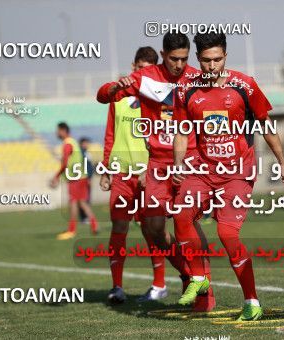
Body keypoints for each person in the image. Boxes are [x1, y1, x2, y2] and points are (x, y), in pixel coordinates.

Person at [172, 32, 284, 321]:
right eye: (205, 61)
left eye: (217, 59)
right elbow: (181, 132)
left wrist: (282, 162)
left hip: (237, 172)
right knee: (180, 215)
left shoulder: (245, 86)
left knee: (227, 234)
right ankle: (199, 277)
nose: (212, 66)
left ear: (225, 56)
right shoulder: (185, 89)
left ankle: (251, 300)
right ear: (197, 59)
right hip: (201, 168)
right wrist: (178, 164)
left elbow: (266, 124)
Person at [96, 33, 215, 311]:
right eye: (174, 59)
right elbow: (102, 97)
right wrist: (115, 87)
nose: (180, 64)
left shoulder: (197, 79)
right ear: (163, 55)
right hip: (157, 165)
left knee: (188, 221)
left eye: (185, 59)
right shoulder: (145, 78)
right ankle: (188, 274)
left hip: (191, 161)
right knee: (155, 229)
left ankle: (204, 286)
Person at [100, 47, 169, 303]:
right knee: (119, 227)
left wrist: (150, 169)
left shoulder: (158, 99)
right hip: (121, 174)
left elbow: (163, 138)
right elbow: (110, 134)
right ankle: (116, 286)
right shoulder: (118, 97)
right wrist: (106, 169)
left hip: (147, 175)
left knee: (151, 229)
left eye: (147, 69)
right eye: (138, 68)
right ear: (133, 66)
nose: (142, 73)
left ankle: (159, 284)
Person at [50, 122, 99, 240]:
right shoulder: (73, 142)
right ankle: (94, 225)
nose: (56, 133)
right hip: (81, 176)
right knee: (82, 202)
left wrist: (56, 177)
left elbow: (65, 162)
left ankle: (71, 230)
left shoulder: (67, 144)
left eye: (57, 130)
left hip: (75, 178)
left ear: (63, 130)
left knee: (73, 203)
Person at [78, 137, 94, 224]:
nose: (87, 144)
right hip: (84, 179)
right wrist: (88, 178)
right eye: (86, 143)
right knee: (84, 199)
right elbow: (86, 168)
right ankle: (85, 217)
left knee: (85, 198)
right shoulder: (81, 153)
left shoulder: (86, 153)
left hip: (86, 179)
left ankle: (84, 217)